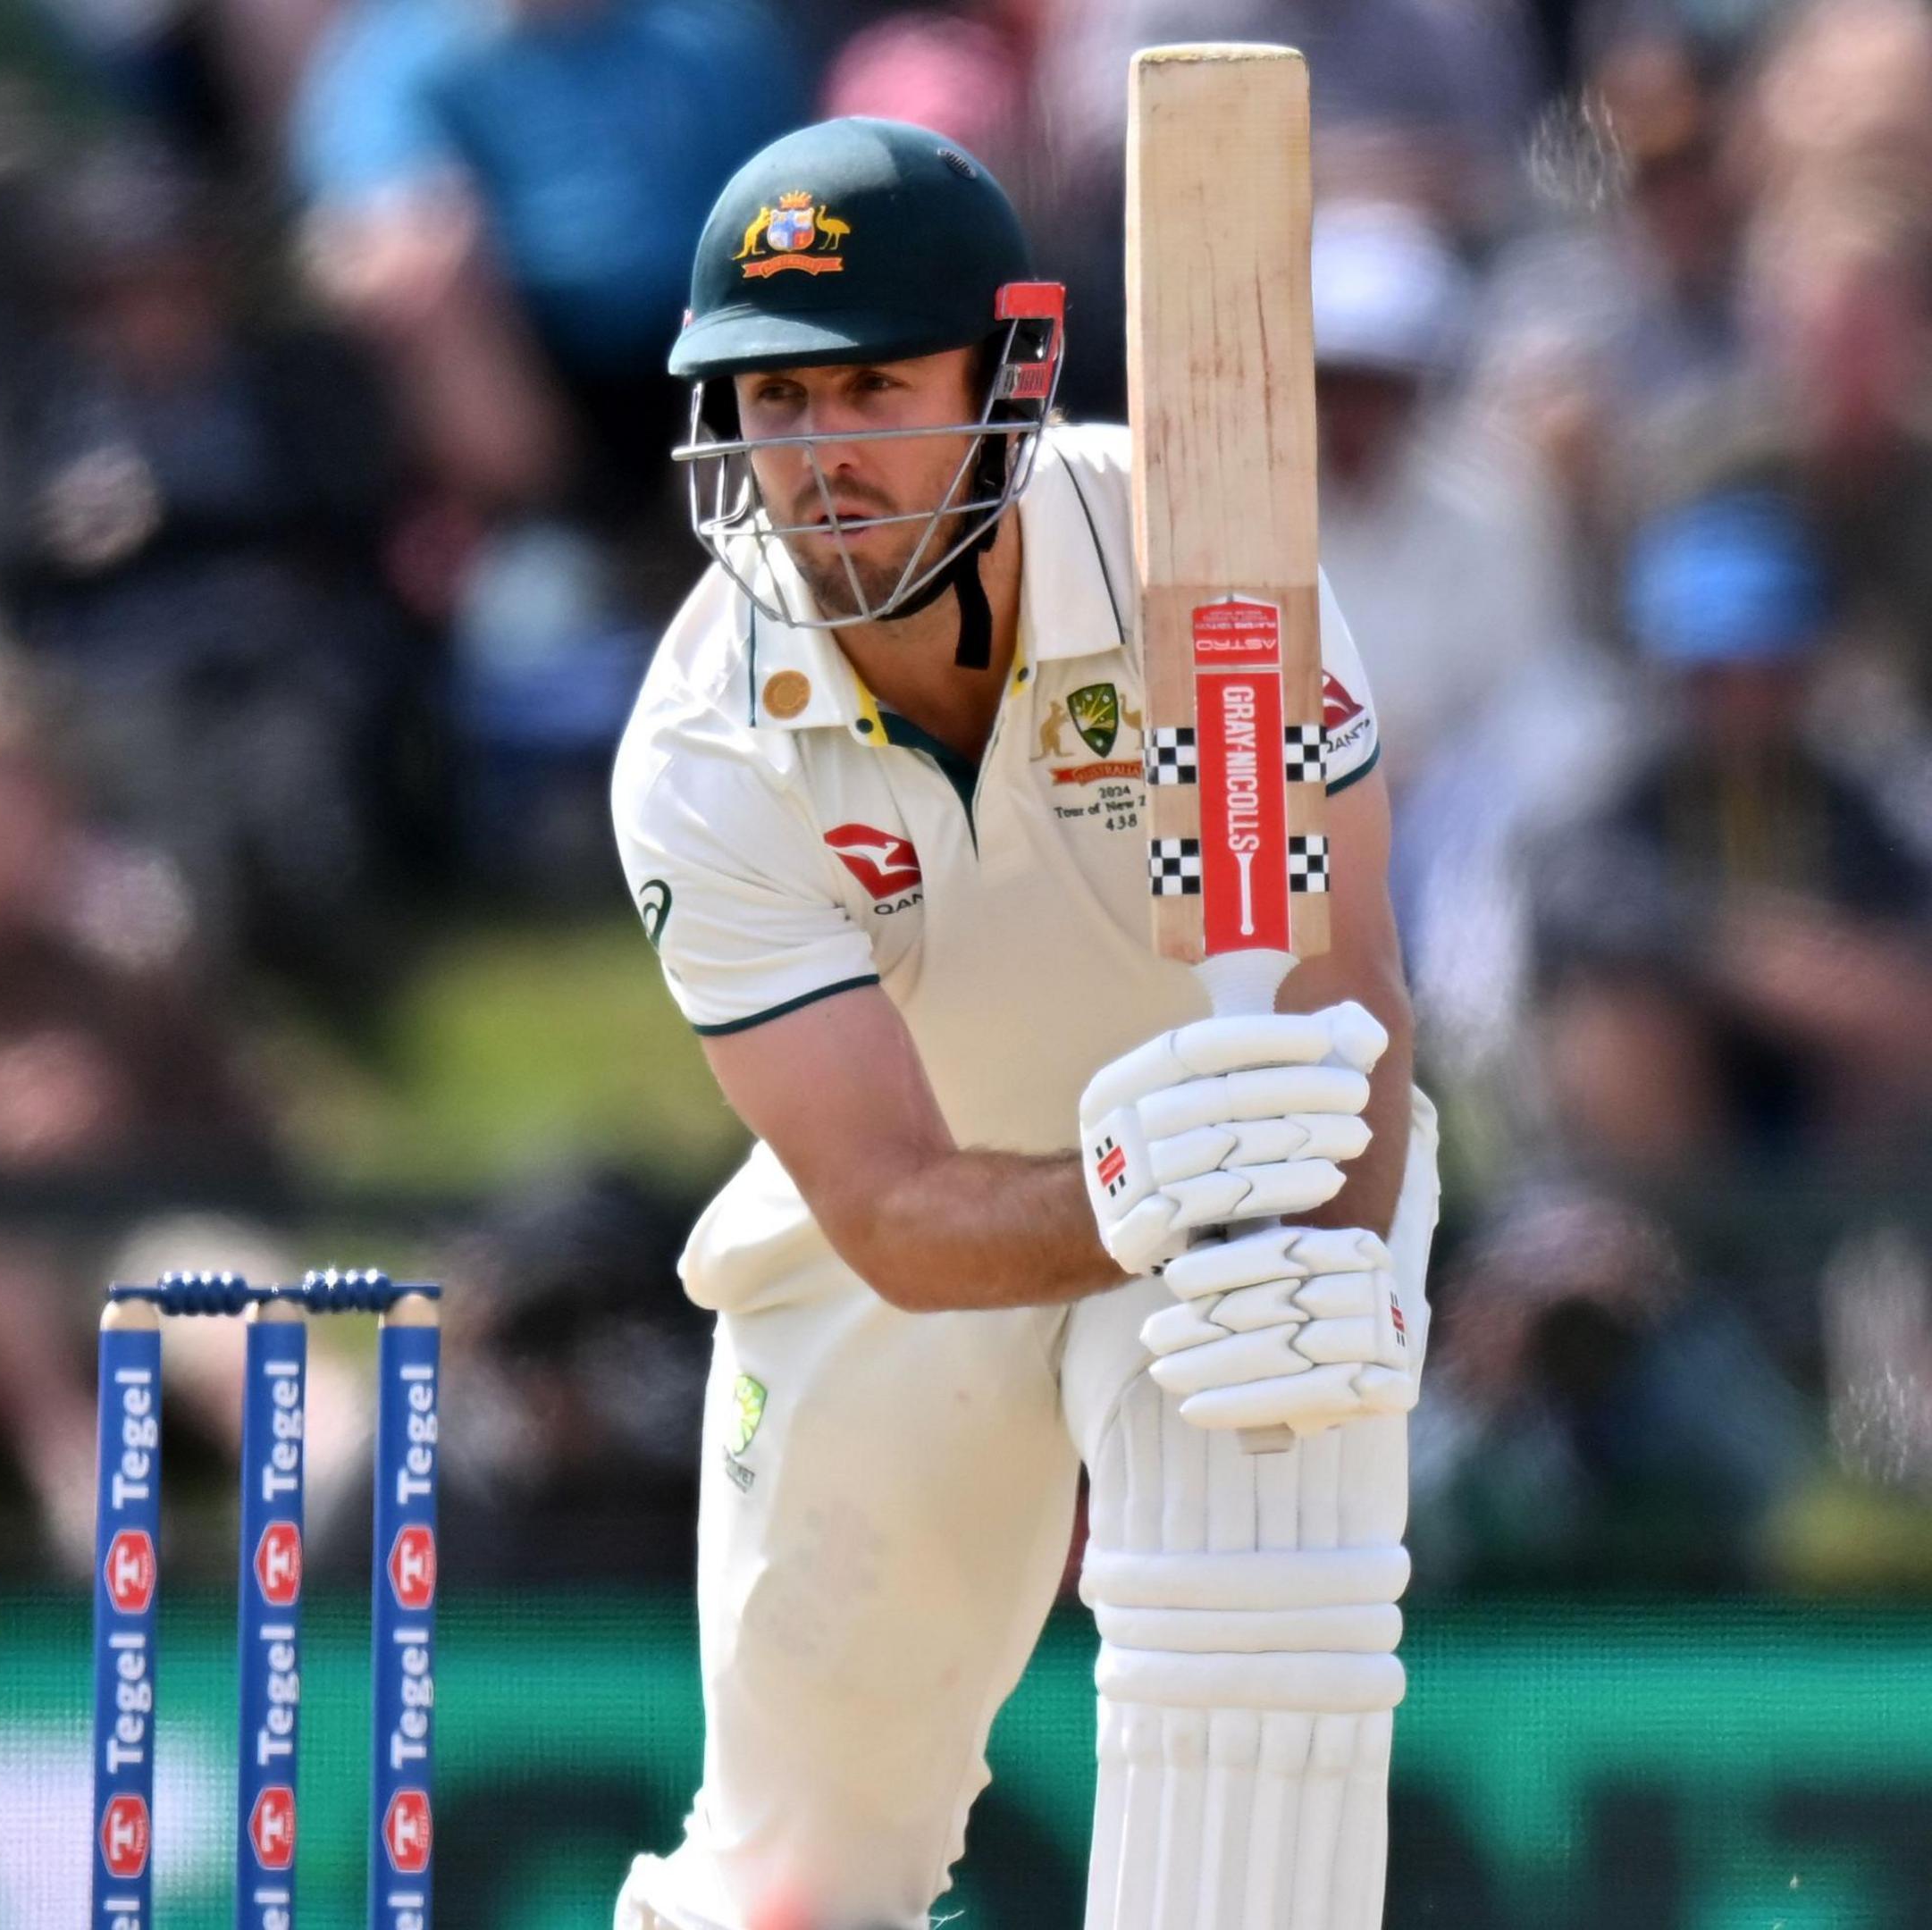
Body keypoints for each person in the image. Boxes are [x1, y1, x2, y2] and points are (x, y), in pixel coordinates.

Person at [608, 121, 1428, 1929]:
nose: (812, 464)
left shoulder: (1209, 572)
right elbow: (891, 1206)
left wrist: (1323, 1234)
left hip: (1254, 1173)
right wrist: (1123, 1184)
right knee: (798, 1879)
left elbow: (1351, 986)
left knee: (1250, 1674)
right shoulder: (704, 745)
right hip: (909, 1232)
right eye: (768, 402)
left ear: (1012, 373)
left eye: (868, 389)